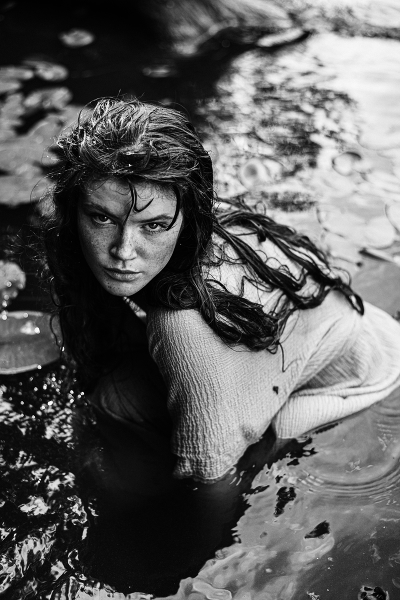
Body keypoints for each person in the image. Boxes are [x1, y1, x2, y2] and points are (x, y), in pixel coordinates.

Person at [41, 97, 400, 487]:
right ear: (73, 209)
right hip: (365, 333)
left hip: (354, 385)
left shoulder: (182, 328)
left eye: (154, 226)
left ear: (187, 220)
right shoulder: (170, 209)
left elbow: (212, 480)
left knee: (117, 401)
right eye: (101, 218)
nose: (123, 251)